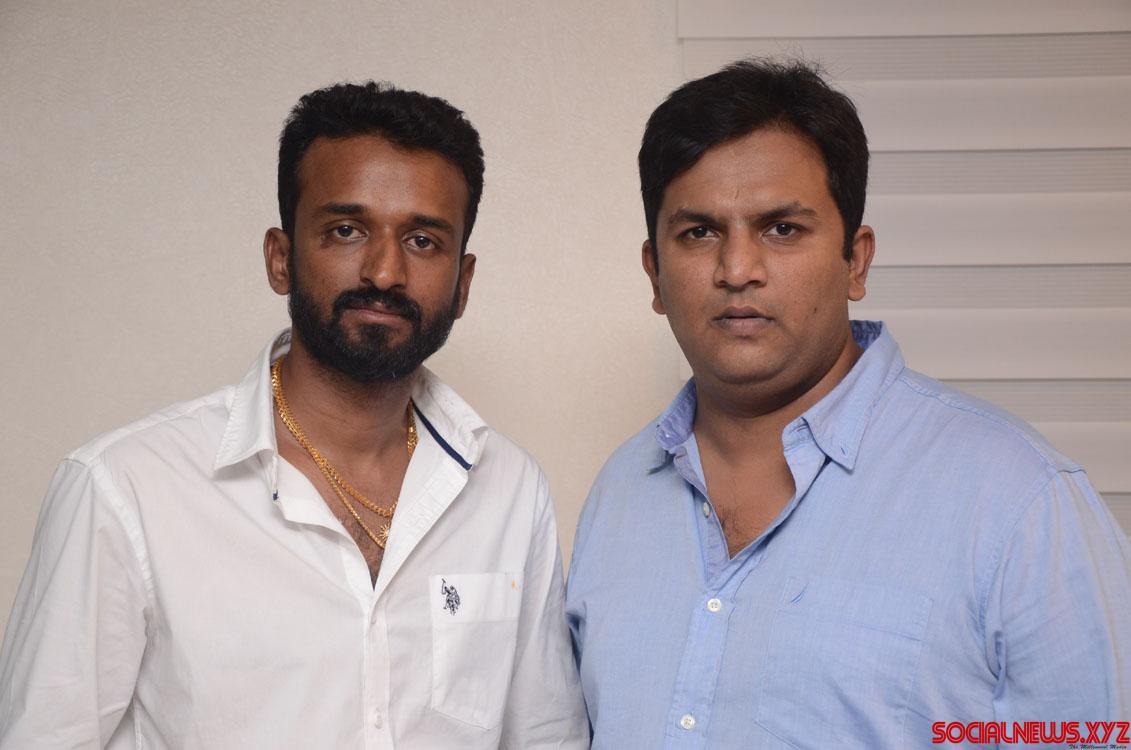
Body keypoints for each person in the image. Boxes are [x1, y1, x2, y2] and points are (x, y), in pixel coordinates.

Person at [0, 81, 586, 749]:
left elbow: (546, 738)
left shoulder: (508, 490)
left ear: (463, 283)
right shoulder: (123, 488)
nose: (384, 272)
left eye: (423, 240)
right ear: (281, 258)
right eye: (346, 230)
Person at [565, 59, 1131, 749]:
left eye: (781, 229)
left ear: (855, 261)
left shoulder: (1020, 502)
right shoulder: (619, 494)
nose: (737, 270)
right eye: (699, 233)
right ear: (654, 273)